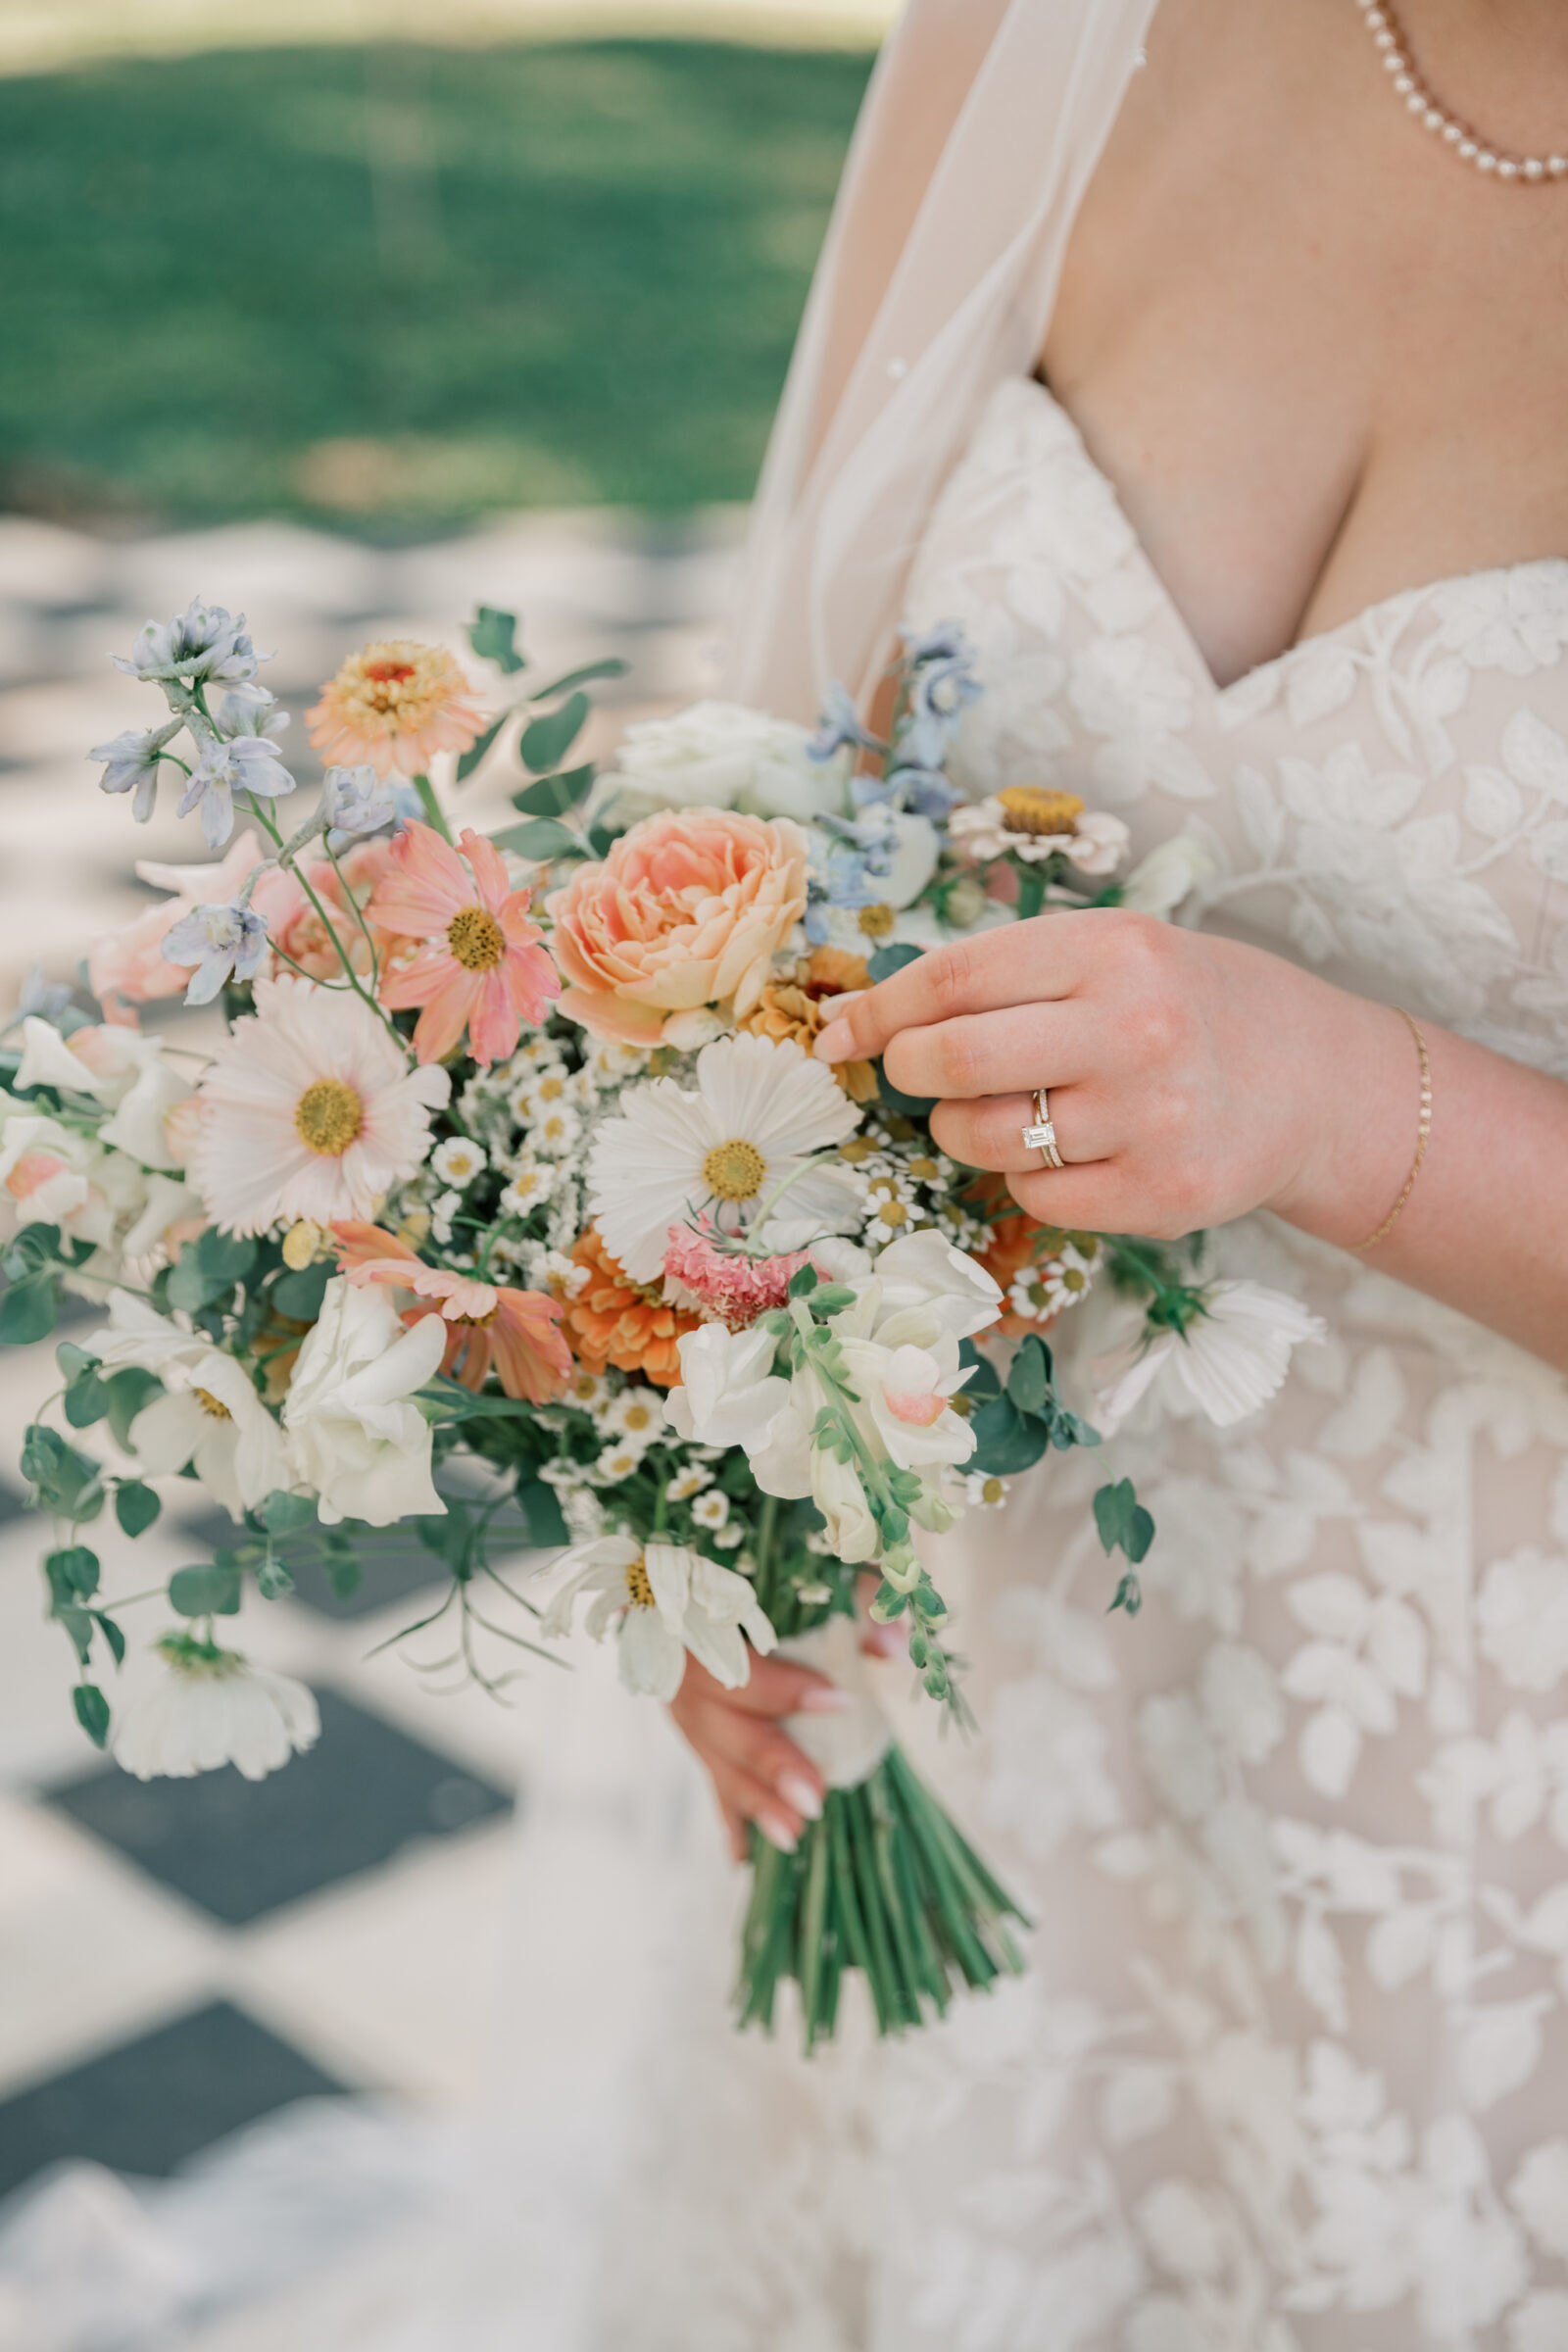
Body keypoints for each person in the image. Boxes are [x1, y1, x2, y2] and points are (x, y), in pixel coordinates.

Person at [624, 1, 1568, 2343]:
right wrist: (697, 1430)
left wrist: (1344, 1110)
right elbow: (799, 825)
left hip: (1492, 1846)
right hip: (977, 1673)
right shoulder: (1052, 35)